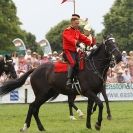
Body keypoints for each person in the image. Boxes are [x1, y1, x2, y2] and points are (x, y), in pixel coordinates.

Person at [62, 14, 93, 91]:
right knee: (73, 63)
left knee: (82, 62)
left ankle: (77, 79)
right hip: (67, 51)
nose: (77, 25)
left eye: (78, 23)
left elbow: (84, 38)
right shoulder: (67, 31)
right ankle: (69, 81)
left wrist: (92, 44)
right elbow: (70, 39)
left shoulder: (77, 31)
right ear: (72, 22)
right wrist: (78, 43)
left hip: (74, 52)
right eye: (76, 23)